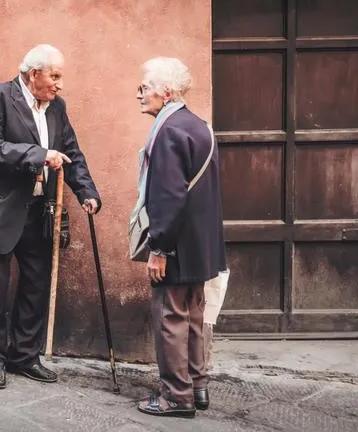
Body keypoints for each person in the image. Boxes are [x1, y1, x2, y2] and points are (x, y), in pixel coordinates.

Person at [0, 44, 101, 389]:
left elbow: (71, 153)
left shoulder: (57, 108)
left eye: (60, 77)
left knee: (36, 287)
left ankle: (24, 355)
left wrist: (87, 192)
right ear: (33, 73)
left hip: (39, 212)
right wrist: (39, 154)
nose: (59, 84)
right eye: (55, 75)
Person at [132, 57, 226, 418]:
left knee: (171, 317)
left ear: (166, 91)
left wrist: (159, 248)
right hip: (200, 246)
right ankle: (198, 386)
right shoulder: (199, 125)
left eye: (145, 87)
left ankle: (176, 396)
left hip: (176, 246)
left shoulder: (168, 130)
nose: (139, 94)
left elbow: (169, 196)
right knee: (194, 315)